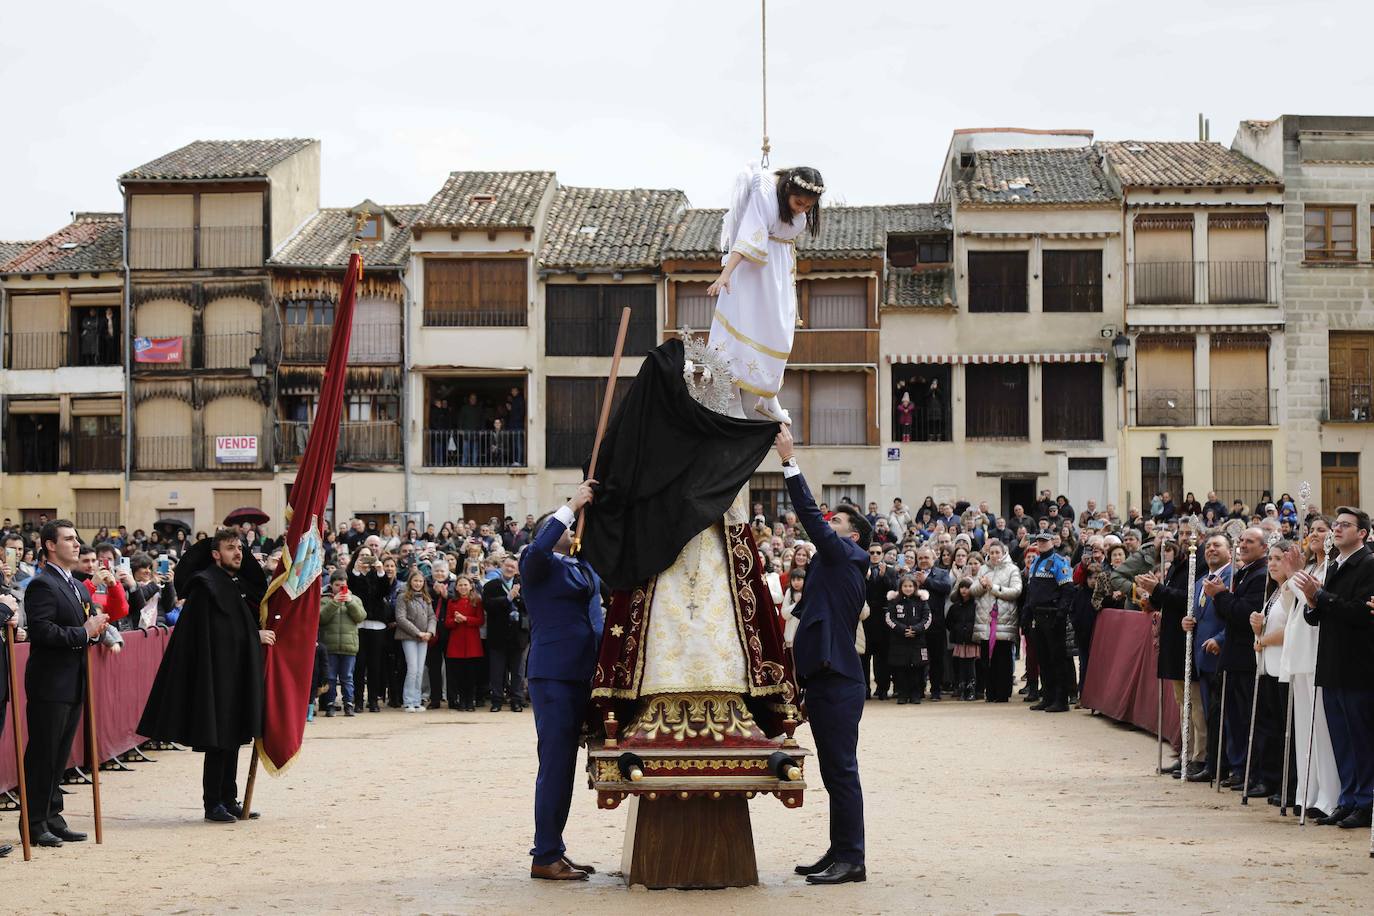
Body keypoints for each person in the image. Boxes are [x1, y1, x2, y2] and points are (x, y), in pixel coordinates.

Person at [776, 425, 869, 885]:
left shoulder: (847, 559)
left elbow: (811, 517)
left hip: (839, 680)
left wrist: (789, 462)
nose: (830, 524)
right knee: (834, 774)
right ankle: (839, 851)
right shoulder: (830, 565)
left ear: (852, 538)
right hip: (826, 679)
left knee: (842, 772)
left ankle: (852, 859)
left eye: (839, 524)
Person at [137, 529, 274, 823]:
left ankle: (229, 797)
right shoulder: (206, 585)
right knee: (219, 737)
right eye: (230, 548)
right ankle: (213, 803)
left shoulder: (230, 583)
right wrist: (254, 636)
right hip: (215, 673)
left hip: (234, 671)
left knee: (234, 735)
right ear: (215, 554)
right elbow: (216, 633)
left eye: (239, 548)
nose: (238, 553)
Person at [519, 480, 603, 881]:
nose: (570, 530)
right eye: (563, 527)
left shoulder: (578, 565)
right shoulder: (537, 563)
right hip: (552, 674)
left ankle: (555, 848)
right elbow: (539, 547)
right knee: (554, 765)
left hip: (580, 674)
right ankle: (544, 854)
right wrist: (571, 504)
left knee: (565, 765)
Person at [706, 164, 823, 424]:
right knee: (738, 334)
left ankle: (768, 398)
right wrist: (726, 274)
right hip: (750, 272)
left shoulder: (798, 211)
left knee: (779, 335)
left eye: (808, 207)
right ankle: (732, 398)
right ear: (787, 190)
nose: (802, 209)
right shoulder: (765, 193)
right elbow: (748, 237)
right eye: (798, 203)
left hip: (778, 275)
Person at [22, 519, 110, 847]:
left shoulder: (72, 583)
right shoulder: (42, 584)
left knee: (59, 756)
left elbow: (77, 628)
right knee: (43, 755)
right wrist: (84, 632)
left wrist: (93, 628)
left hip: (72, 681)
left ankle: (52, 815)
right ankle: (33, 823)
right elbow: (43, 632)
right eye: (69, 539)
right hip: (50, 682)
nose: (76, 544)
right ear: (49, 545)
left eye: (76, 538)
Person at [1293, 507, 1374, 829]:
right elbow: (1317, 616)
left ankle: (1366, 800)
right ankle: (1348, 797)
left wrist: (1321, 597)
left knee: (1360, 738)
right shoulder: (1335, 566)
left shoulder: (1368, 564)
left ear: (1363, 533)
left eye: (1344, 525)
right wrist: (1314, 602)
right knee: (1340, 737)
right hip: (1331, 662)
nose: (1336, 529)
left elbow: (1360, 613)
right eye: (1336, 525)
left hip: (1358, 664)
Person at [1278, 518, 1339, 818]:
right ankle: (1307, 791)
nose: (1314, 534)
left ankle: (1329, 794)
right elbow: (1293, 604)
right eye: (1311, 530)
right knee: (1304, 729)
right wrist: (1292, 577)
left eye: (1321, 530)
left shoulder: (1332, 568)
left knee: (1322, 730)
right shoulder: (1310, 568)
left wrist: (1295, 573)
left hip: (1318, 651)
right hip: (1299, 652)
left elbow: (1316, 600)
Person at [1205, 527, 1265, 792]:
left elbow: (1242, 612)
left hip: (1246, 657)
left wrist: (1220, 595)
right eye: (1241, 540)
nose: (1242, 545)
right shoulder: (1244, 573)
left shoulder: (1260, 575)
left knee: (1245, 718)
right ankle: (1239, 768)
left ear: (1263, 547)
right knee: (1233, 718)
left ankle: (1250, 771)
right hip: (1233, 656)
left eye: (1249, 541)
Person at [1023, 533, 1075, 713]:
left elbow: (1068, 590)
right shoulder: (1036, 561)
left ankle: (1061, 700)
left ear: (1052, 542)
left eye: (1045, 541)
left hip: (1053, 615)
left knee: (1057, 659)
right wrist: (1026, 615)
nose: (1042, 544)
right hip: (1038, 616)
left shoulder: (1059, 561)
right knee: (1043, 659)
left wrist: (1061, 613)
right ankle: (1047, 697)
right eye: (1040, 541)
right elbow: (1031, 592)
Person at [970, 540, 1021, 703]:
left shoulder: (1012, 569)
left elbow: (1016, 591)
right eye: (991, 553)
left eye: (997, 552)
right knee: (986, 660)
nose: (994, 556)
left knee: (1003, 660)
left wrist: (993, 587)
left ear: (1003, 553)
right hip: (985, 621)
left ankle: (1003, 693)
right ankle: (990, 692)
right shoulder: (983, 569)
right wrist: (983, 586)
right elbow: (973, 590)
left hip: (1004, 621)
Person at [484, 556, 529, 713]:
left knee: (518, 672)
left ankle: (516, 700)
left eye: (513, 566)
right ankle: (496, 701)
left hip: (519, 636)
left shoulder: (523, 586)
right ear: (502, 566)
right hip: (498, 635)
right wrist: (507, 598)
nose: (510, 569)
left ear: (516, 569)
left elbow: (530, 606)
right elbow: (488, 605)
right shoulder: (491, 585)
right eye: (507, 565)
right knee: (497, 671)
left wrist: (517, 598)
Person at [318, 570, 365, 717]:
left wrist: (349, 601)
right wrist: (334, 603)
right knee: (330, 678)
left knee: (347, 678)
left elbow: (361, 617)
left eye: (342, 585)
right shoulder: (324, 600)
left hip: (349, 646)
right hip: (330, 646)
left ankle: (348, 704)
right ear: (331, 585)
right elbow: (320, 619)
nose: (339, 588)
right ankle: (330, 704)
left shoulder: (355, 599)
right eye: (337, 585)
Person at [394, 570, 436, 712]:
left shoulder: (426, 598)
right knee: (412, 668)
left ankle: (417, 700)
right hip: (409, 637)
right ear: (410, 582)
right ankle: (408, 700)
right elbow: (400, 618)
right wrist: (418, 633)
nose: (418, 583)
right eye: (415, 581)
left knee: (420, 669)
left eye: (420, 581)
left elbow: (432, 617)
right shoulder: (402, 597)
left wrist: (430, 632)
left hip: (424, 637)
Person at [885, 575, 930, 705]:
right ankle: (902, 694)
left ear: (915, 587)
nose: (908, 588)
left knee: (917, 668)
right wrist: (903, 630)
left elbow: (927, 619)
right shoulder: (894, 602)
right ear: (900, 587)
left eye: (910, 586)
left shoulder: (922, 601)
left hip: (918, 641)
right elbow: (889, 619)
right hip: (899, 641)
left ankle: (916, 694)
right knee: (900, 669)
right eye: (905, 586)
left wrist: (915, 630)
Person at [945, 578, 978, 701]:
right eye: (962, 587)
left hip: (971, 641)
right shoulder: (955, 607)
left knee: (971, 666)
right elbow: (948, 622)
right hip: (959, 641)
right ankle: (962, 689)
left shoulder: (976, 605)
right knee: (960, 666)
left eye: (967, 587)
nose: (964, 590)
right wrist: (956, 629)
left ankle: (972, 690)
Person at [780, 567, 805, 647]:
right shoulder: (789, 592)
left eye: (798, 580)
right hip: (791, 637)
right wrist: (796, 604)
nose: (795, 583)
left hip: (805, 635)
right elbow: (784, 614)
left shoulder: (809, 592)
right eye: (793, 580)